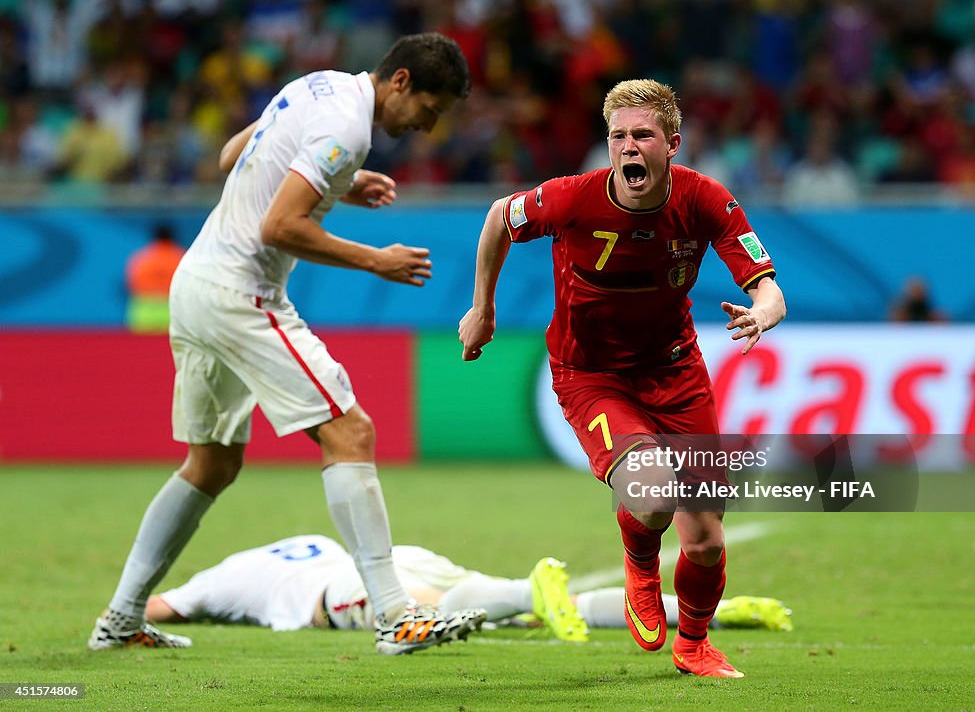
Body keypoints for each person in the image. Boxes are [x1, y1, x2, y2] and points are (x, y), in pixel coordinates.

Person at [88, 32, 484, 656]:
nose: (428, 129)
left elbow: (231, 156)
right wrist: (375, 260)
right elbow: (281, 225)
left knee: (211, 463)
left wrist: (339, 182)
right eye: (429, 111)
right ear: (401, 82)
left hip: (197, 284)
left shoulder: (315, 86)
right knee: (350, 431)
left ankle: (120, 618)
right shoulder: (348, 129)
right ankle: (394, 616)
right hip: (241, 293)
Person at [458, 79, 786, 677]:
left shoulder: (706, 199)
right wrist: (484, 308)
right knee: (653, 491)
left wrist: (762, 311)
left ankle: (694, 644)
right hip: (593, 374)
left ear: (673, 144)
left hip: (676, 373)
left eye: (642, 135)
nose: (628, 147)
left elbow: (767, 285)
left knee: (707, 540)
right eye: (617, 137)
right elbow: (498, 218)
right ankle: (640, 560)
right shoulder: (571, 198)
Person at [143, 535, 793, 637]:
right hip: (395, 551)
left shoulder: (214, 580)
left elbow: (157, 608)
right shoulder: (286, 544)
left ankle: (527, 592)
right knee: (521, 606)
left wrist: (126, 615)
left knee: (442, 613)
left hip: (345, 586)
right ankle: (707, 612)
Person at [125, 222, 185, 333]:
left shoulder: (141, 258)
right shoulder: (181, 257)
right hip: (172, 312)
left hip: (144, 313)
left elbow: (131, 284)